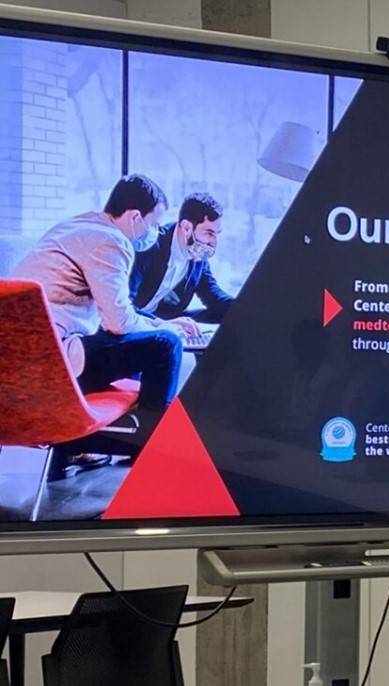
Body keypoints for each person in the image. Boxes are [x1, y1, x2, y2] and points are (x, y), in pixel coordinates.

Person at [13, 174, 184, 475]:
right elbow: (119, 321)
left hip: (20, 374)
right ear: (134, 217)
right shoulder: (111, 241)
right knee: (165, 344)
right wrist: (171, 328)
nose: (156, 232)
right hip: (56, 369)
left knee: (125, 341)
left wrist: (152, 321)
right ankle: (148, 446)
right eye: (154, 223)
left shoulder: (73, 227)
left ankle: (78, 444)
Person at [129, 192, 233, 328]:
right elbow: (123, 303)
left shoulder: (197, 254)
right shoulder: (149, 246)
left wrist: (244, 307)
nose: (213, 242)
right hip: (137, 319)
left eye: (216, 234)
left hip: (167, 317)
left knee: (229, 314)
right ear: (186, 227)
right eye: (209, 233)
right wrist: (162, 324)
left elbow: (212, 294)